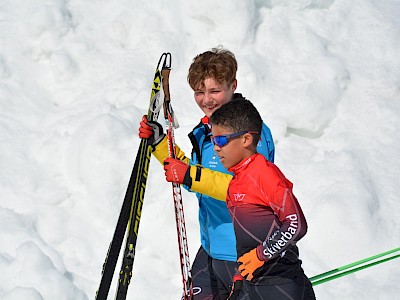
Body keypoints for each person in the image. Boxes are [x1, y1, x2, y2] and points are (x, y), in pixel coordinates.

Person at [139, 47, 275, 299]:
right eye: (199, 92)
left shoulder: (250, 131)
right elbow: (194, 177)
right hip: (212, 251)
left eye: (215, 91)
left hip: (248, 255)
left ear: (233, 85)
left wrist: (190, 176)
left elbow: (248, 188)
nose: (206, 100)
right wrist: (158, 144)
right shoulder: (205, 133)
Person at [209, 99, 316, 300]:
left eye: (221, 140)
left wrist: (261, 255)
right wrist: (240, 273)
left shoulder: (264, 174)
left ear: (246, 139)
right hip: (256, 285)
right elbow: (247, 237)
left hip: (281, 284)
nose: (216, 148)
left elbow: (296, 224)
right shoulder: (237, 180)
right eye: (213, 140)